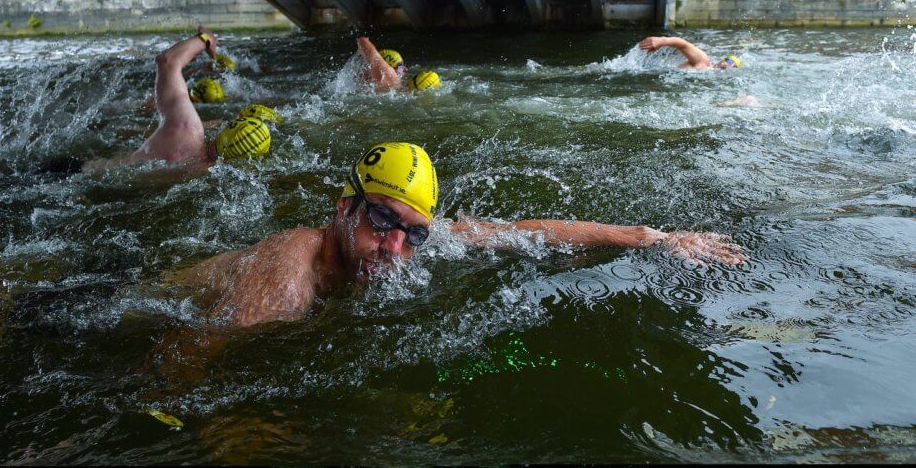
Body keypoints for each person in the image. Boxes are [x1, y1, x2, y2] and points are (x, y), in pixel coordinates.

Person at [165, 142, 748, 331]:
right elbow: (198, 350)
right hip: (137, 305)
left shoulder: (406, 240)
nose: (394, 248)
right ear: (343, 209)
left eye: (413, 235)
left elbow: (524, 234)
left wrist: (651, 236)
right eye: (382, 221)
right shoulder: (291, 273)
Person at [78, 28, 269, 173]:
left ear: (230, 128)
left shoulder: (188, 131)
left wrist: (205, 40)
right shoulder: (206, 173)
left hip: (79, 172)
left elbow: (167, 61)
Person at [637, 36, 741, 70]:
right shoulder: (704, 62)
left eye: (732, 65)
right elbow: (683, 44)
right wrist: (662, 41)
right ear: (723, 60)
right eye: (728, 60)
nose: (727, 64)